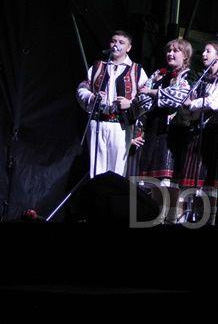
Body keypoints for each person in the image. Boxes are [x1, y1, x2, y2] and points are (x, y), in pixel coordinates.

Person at [76, 30, 149, 177]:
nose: (116, 45)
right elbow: (82, 89)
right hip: (97, 123)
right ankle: (97, 191)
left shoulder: (137, 70)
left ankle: (113, 192)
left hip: (121, 125)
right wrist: (92, 97)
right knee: (96, 169)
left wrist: (131, 104)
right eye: (113, 41)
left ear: (128, 48)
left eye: (121, 42)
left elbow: (147, 97)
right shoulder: (98, 66)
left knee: (117, 170)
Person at [136, 38, 193, 220]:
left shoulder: (188, 75)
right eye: (169, 50)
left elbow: (177, 97)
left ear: (185, 55)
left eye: (176, 51)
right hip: (154, 129)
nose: (170, 53)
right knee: (155, 181)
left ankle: (171, 218)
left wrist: (153, 93)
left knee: (169, 182)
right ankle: (157, 217)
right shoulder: (159, 74)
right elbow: (141, 97)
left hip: (173, 132)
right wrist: (153, 95)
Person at [177, 41, 218, 195]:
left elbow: (213, 102)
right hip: (197, 128)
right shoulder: (202, 76)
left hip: (214, 130)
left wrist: (192, 104)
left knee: (208, 176)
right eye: (203, 51)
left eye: (208, 51)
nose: (203, 54)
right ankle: (186, 207)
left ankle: (206, 209)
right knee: (190, 175)